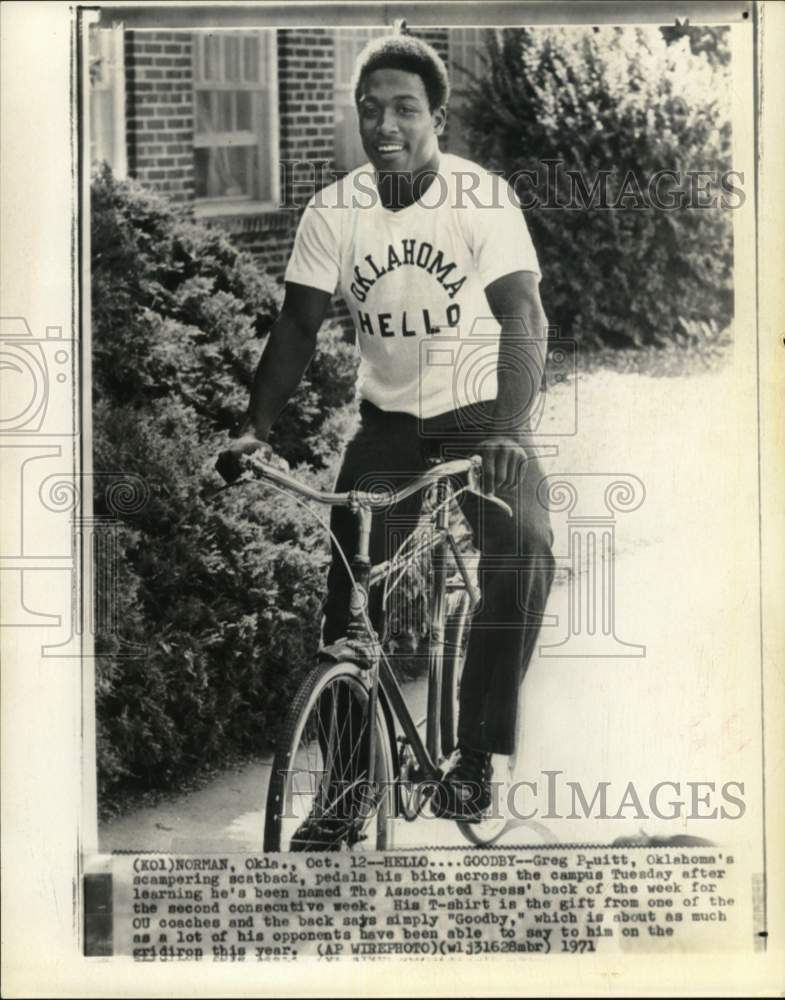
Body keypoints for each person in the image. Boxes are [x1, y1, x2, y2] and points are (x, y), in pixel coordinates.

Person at [217, 33, 555, 836]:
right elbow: (297, 326)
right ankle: (344, 791)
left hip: (480, 419)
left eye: (404, 108)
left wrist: (508, 427)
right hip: (391, 423)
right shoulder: (335, 210)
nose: (385, 125)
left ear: (436, 114)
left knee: (523, 553)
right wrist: (252, 429)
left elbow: (523, 315)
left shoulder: (481, 197)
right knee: (350, 599)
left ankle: (474, 757)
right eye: (370, 110)